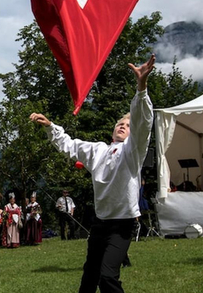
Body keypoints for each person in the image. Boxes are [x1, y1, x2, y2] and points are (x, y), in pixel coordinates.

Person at [30, 54, 155, 293]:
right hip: (101, 223)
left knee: (107, 277)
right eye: (120, 123)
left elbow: (143, 124)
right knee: (89, 276)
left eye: (127, 125)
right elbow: (70, 145)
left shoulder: (132, 151)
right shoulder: (97, 150)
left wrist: (141, 87)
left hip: (122, 224)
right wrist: (49, 126)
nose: (123, 126)